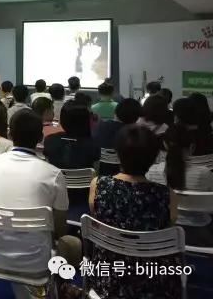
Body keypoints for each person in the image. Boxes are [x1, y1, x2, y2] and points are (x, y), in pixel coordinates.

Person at [0, 109, 80, 277]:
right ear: (40, 138)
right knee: (73, 244)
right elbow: (60, 227)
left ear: (10, 135)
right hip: (36, 263)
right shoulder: (54, 174)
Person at [88, 125, 181, 299]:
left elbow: (96, 217)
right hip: (155, 283)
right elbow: (168, 230)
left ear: (118, 154)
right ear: (154, 158)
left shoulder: (98, 185)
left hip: (107, 278)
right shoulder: (167, 196)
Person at [147, 97, 213, 246]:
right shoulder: (204, 174)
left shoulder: (153, 172)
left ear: (165, 145)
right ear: (192, 147)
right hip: (201, 231)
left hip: (163, 231)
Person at [44, 100, 100, 169]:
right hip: (84, 176)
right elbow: (96, 171)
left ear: (63, 119)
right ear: (86, 120)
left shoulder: (49, 140)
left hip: (55, 175)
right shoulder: (93, 144)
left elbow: (47, 166)